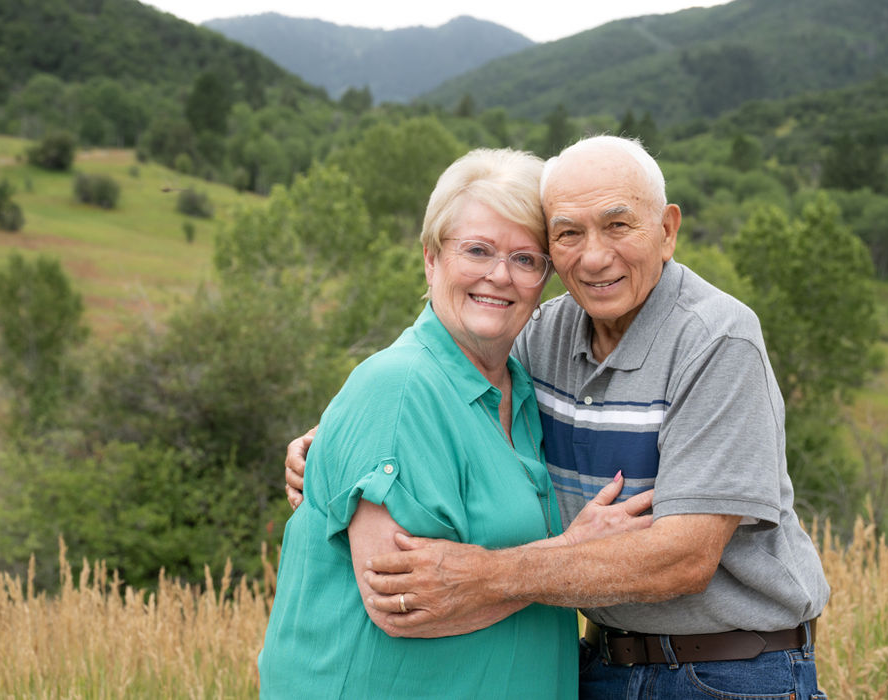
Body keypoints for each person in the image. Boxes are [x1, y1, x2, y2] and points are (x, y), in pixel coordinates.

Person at [285, 135, 831, 699]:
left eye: (618, 226)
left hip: (725, 671)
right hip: (597, 664)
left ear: (667, 231)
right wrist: (333, 444)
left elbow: (685, 559)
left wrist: (482, 576)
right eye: (569, 233)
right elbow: (448, 395)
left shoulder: (716, 338)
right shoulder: (543, 333)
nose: (594, 257)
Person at [258, 147, 653, 699]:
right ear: (430, 258)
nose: (499, 275)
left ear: (546, 278)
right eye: (478, 250)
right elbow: (402, 604)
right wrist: (573, 556)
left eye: (526, 259)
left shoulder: (522, 389)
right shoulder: (397, 387)